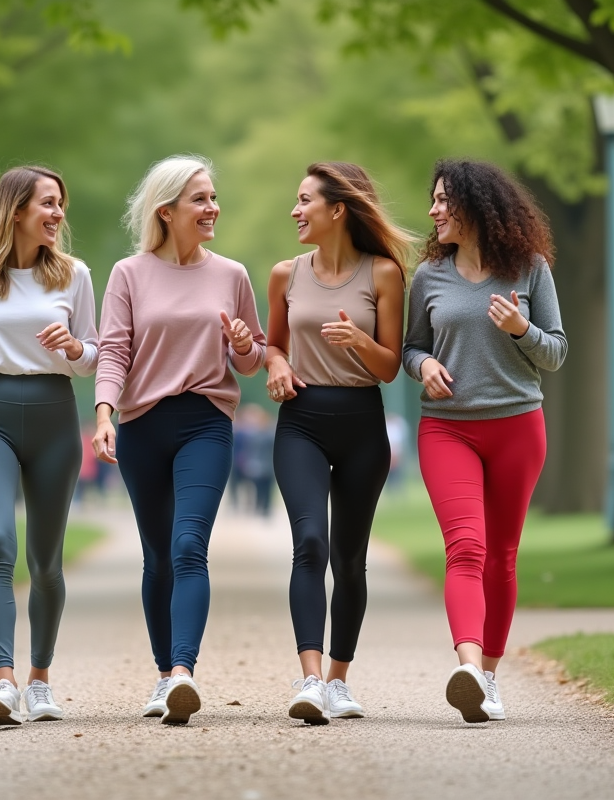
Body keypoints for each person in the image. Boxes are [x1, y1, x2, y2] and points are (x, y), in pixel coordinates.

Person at [92, 154, 267, 725]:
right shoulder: (128, 274)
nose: (212, 208)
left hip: (205, 422)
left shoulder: (232, 274)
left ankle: (184, 674)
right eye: (200, 199)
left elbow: (252, 360)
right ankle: (164, 673)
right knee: (157, 555)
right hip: (142, 424)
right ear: (166, 212)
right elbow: (115, 350)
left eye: (213, 197)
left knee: (189, 544)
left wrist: (242, 343)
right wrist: (103, 415)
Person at [403, 159, 567, 723]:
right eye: (434, 200)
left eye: (444, 200)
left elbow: (556, 352)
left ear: (477, 204)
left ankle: (489, 678)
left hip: (518, 426)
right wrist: (422, 364)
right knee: (466, 548)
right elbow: (410, 347)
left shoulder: (529, 268)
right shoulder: (429, 276)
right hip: (447, 427)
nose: (434, 210)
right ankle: (468, 667)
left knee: (500, 556)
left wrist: (520, 329)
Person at [0, 166, 98, 725]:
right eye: (48, 204)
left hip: (56, 419)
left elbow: (97, 358)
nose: (58, 215)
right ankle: (3, 680)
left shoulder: (74, 275)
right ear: (15, 211)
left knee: (46, 560)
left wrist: (75, 346)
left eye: (61, 205)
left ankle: (39, 680)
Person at [265, 162, 414, 724]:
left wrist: (358, 340)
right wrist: (276, 366)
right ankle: (309, 680)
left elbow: (390, 367)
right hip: (301, 421)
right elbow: (271, 346)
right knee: (310, 543)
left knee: (350, 561)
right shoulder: (285, 274)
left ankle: (338, 680)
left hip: (361, 425)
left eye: (305, 201)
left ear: (337, 210)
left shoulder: (383, 274)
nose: (296, 210)